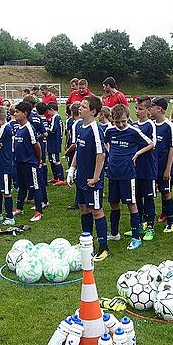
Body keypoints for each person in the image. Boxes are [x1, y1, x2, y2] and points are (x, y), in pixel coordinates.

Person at [104, 104, 154, 250]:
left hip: (127, 174)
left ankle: (135, 237)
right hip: (113, 173)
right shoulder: (109, 130)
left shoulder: (133, 131)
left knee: (132, 204)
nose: (120, 125)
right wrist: (110, 153)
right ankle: (114, 233)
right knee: (113, 203)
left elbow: (151, 144)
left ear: (128, 118)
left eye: (123, 121)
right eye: (117, 122)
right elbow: (105, 141)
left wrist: (137, 153)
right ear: (112, 119)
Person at [67, 95, 109, 260]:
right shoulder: (79, 126)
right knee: (84, 209)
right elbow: (78, 149)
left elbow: (101, 155)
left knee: (97, 211)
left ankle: (104, 247)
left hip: (92, 181)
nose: (80, 108)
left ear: (93, 111)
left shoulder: (96, 129)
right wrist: (72, 169)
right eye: (81, 106)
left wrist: (96, 178)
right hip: (81, 178)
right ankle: (86, 241)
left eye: (84, 106)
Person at [149, 96, 173, 234]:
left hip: (163, 167)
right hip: (151, 167)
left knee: (166, 193)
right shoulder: (151, 124)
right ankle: (148, 221)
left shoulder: (168, 126)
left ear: (159, 109)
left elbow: (172, 148)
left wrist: (168, 169)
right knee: (150, 194)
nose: (150, 108)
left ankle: (171, 221)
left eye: (152, 106)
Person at [14, 101, 45, 223]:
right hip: (19, 162)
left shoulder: (29, 128)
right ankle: (19, 208)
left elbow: (37, 146)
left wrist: (39, 161)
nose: (15, 114)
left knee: (35, 187)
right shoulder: (19, 128)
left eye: (17, 112)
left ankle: (39, 211)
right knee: (22, 186)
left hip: (30, 163)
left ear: (25, 113)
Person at [132, 96, 158, 240]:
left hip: (148, 168)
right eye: (136, 108)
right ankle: (141, 223)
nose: (137, 111)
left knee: (148, 198)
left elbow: (153, 144)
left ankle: (150, 227)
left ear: (148, 110)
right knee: (136, 197)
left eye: (140, 109)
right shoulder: (134, 125)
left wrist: (138, 153)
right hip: (135, 169)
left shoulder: (150, 125)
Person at [46, 102, 66, 186]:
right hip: (55, 141)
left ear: (51, 110)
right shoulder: (58, 118)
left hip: (54, 142)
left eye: (48, 111)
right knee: (52, 160)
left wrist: (45, 129)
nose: (48, 113)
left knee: (56, 161)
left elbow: (53, 129)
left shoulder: (55, 117)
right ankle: (55, 177)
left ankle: (61, 178)